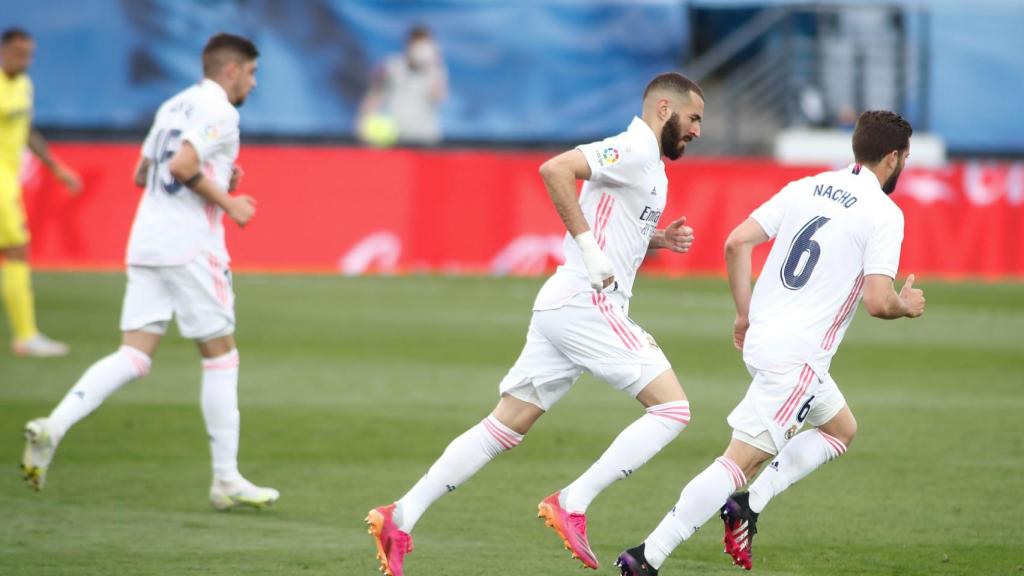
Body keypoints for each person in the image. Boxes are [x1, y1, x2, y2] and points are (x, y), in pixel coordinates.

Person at [366, 72, 705, 576]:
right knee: (674, 409)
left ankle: (401, 515)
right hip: (588, 303)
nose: (697, 130)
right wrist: (589, 251)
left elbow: (617, 222)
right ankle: (573, 501)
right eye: (693, 117)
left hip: (563, 306)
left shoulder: (649, 163)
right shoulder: (632, 147)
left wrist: (658, 239)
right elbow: (555, 170)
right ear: (663, 108)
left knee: (505, 424)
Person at [615, 110, 925, 576]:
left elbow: (736, 243)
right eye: (904, 158)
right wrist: (906, 303)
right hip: (798, 358)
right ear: (893, 157)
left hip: (766, 340)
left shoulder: (808, 186)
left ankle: (749, 505)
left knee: (840, 429)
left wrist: (744, 313)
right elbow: (878, 302)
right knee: (738, 462)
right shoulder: (884, 212)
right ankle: (647, 556)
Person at [20, 33, 279, 511]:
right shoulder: (221, 110)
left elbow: (144, 173)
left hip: (146, 241)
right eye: (251, 72)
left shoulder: (174, 104)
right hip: (191, 248)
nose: (254, 82)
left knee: (134, 355)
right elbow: (182, 165)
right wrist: (230, 202)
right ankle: (225, 478)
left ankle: (54, 426)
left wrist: (220, 174)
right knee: (221, 355)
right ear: (230, 70)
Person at [0, 27, 82, 357]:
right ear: (4, 50)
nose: (26, 59)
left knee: (17, 249)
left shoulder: (23, 85)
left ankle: (25, 335)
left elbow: (28, 131)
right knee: (18, 249)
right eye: (20, 52)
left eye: (30, 53)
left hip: (9, 178)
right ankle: (25, 335)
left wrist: (57, 168)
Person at [356, 25, 448, 146]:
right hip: (395, 137)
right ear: (408, 44)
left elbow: (438, 97)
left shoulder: (436, 70)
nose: (420, 50)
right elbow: (375, 95)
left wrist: (434, 64)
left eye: (424, 46)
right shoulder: (392, 65)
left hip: (426, 137)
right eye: (416, 44)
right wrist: (363, 121)